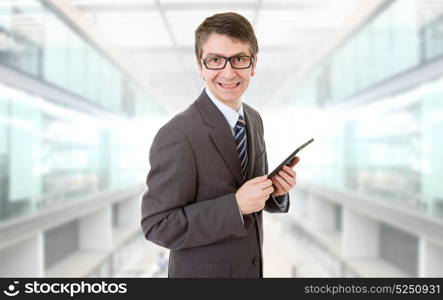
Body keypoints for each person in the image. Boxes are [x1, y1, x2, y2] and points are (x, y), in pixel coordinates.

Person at [141, 12, 299, 278]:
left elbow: (251, 194)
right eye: (215, 60)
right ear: (200, 65)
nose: (228, 72)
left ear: (253, 64)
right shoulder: (177, 134)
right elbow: (157, 225)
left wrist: (276, 191)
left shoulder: (253, 119)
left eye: (239, 59)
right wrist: (234, 206)